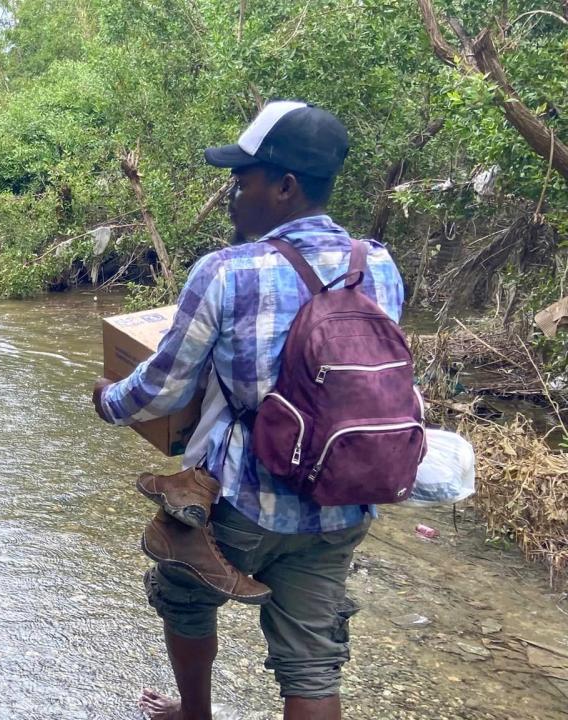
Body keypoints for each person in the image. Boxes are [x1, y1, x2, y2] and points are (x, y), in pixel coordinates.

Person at [92, 101, 406, 720]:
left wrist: (108, 400)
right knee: (312, 659)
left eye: (244, 181)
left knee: (181, 586)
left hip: (244, 499)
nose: (234, 195)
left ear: (285, 187)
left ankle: (195, 714)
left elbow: (164, 389)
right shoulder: (380, 265)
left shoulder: (227, 271)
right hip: (345, 493)